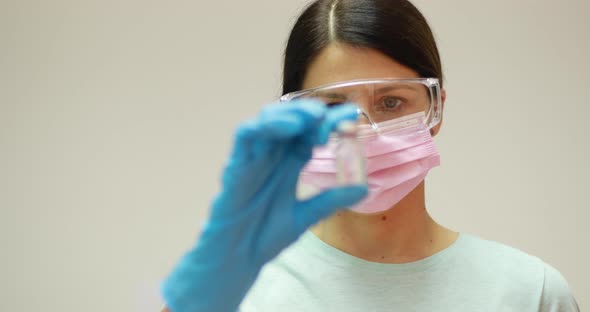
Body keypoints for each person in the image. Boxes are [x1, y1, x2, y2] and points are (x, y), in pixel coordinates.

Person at [161, 0, 580, 311]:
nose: (365, 134)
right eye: (333, 108)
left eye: (392, 102)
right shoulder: (243, 290)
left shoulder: (529, 292)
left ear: (437, 110)